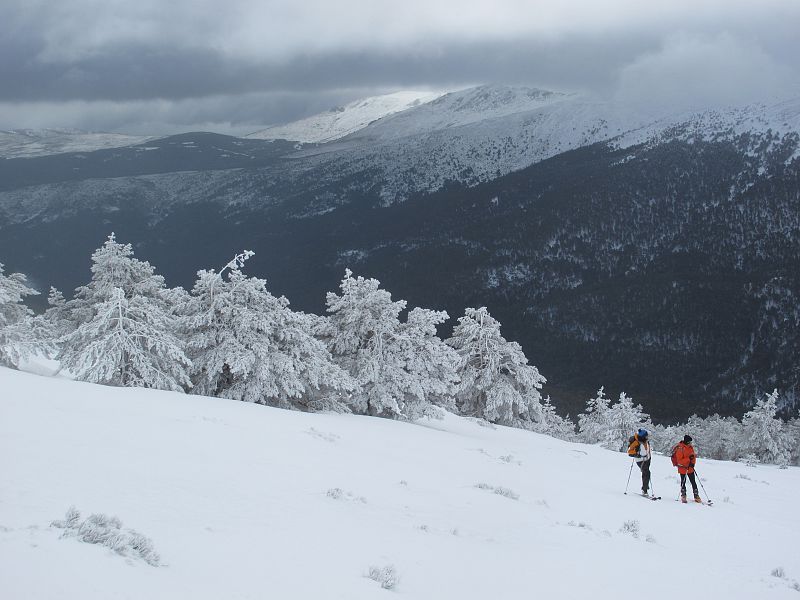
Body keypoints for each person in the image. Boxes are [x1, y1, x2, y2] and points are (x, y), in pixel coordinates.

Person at [672, 434, 701, 503]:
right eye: (690, 442)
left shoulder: (690, 447)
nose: (691, 443)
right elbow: (679, 460)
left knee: (693, 482)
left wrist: (693, 463)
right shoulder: (680, 448)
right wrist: (688, 459)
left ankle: (696, 495)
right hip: (683, 468)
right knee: (683, 482)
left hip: (690, 468)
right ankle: (683, 495)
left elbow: (693, 456)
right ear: (687, 441)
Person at [627, 428, 652, 496]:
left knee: (647, 473)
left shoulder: (645, 440)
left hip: (647, 459)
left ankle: (645, 486)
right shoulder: (636, 442)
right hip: (640, 460)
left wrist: (649, 457)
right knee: (646, 473)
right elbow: (629, 451)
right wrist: (636, 454)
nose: (647, 437)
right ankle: (645, 490)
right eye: (646, 436)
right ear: (643, 436)